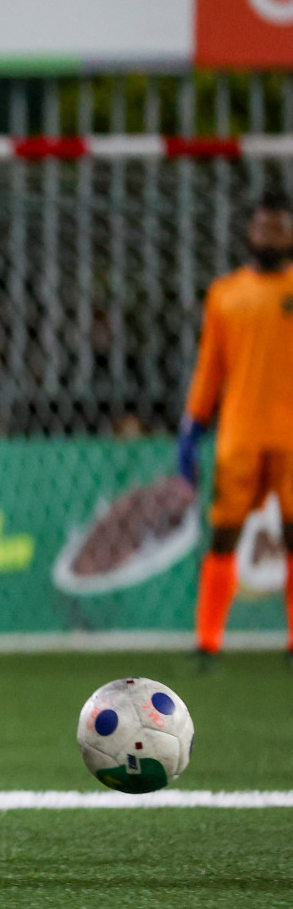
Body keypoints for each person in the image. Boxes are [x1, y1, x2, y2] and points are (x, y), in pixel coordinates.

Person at [179, 189, 293, 660]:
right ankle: (208, 641)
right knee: (223, 533)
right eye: (263, 225)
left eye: (279, 226)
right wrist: (192, 425)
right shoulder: (225, 294)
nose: (270, 233)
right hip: (239, 434)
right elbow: (211, 367)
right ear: (250, 231)